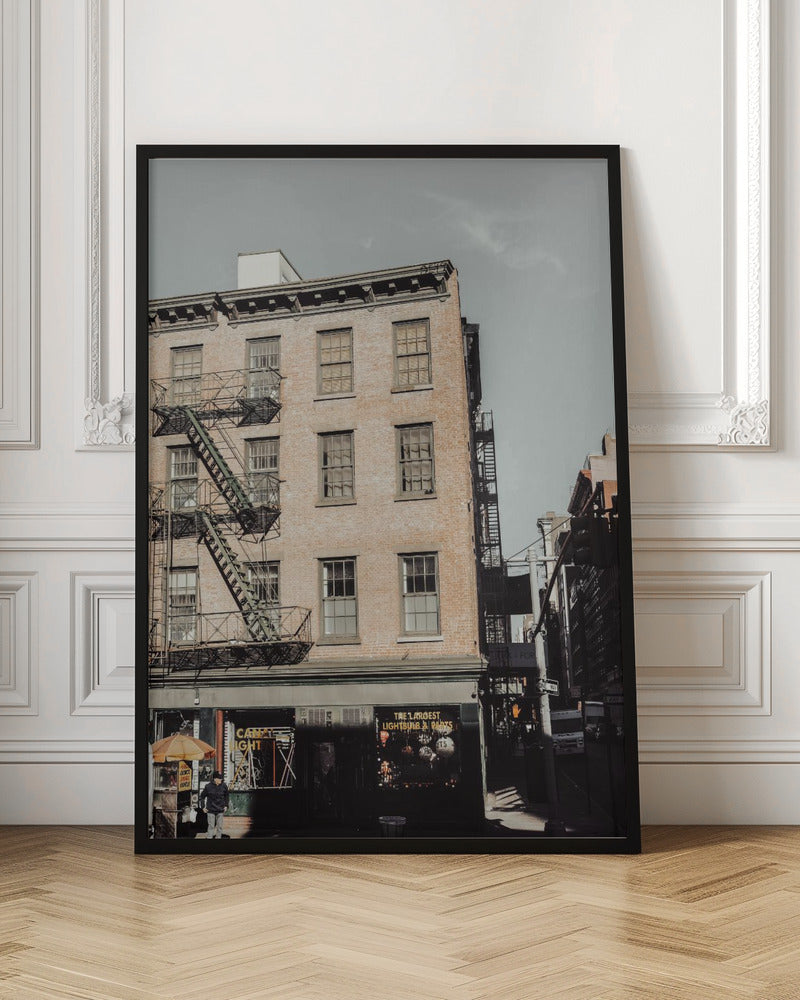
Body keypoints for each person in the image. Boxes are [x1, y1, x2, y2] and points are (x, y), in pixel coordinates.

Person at [199, 770, 229, 839]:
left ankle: (218, 839)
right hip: (210, 810)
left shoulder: (224, 786)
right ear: (215, 779)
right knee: (211, 826)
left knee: (220, 827)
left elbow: (227, 795)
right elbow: (202, 796)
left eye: (221, 778)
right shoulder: (208, 786)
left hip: (220, 809)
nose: (221, 780)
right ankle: (210, 840)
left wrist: (226, 805)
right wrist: (203, 807)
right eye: (220, 778)